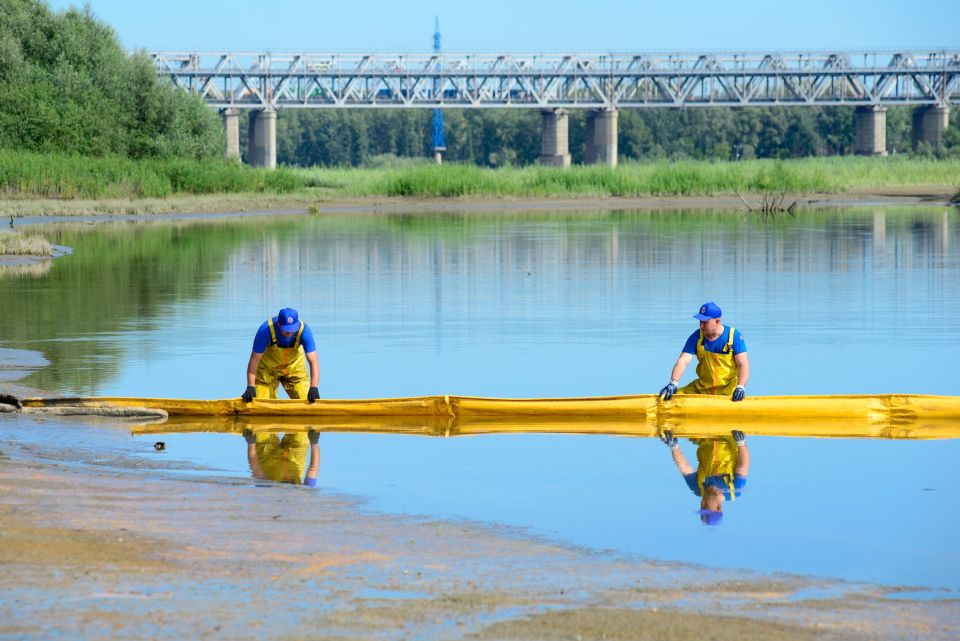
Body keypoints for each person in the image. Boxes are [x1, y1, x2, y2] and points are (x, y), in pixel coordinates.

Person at [658, 301, 749, 402]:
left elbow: (743, 364)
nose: (701, 325)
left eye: (705, 322)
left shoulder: (734, 336)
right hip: (702, 388)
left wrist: (741, 387)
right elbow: (683, 361)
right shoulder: (696, 337)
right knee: (670, 399)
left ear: (717, 321)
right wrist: (673, 383)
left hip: (728, 392)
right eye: (700, 321)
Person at [660, 429, 750, 525]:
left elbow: (684, 467)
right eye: (706, 507)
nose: (702, 504)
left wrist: (674, 447)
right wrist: (741, 443)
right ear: (719, 508)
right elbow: (743, 465)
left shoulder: (697, 488)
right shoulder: (734, 490)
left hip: (702, 437)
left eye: (701, 507)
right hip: (729, 435)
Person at [242, 308, 320, 403]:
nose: (290, 332)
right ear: (279, 324)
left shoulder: (304, 331)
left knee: (308, 400)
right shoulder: (265, 330)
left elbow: (313, 362)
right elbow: (254, 361)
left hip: (294, 370)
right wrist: (250, 386)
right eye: (287, 330)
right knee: (263, 403)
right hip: (267, 372)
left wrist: (314, 387)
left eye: (292, 329)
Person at [243, 428, 320, 486]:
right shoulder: (305, 497)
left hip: (267, 458)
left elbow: (255, 468)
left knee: (258, 428)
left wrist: (251, 443)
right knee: (302, 430)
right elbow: (313, 469)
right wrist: (314, 442)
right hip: (295, 459)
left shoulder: (265, 493)